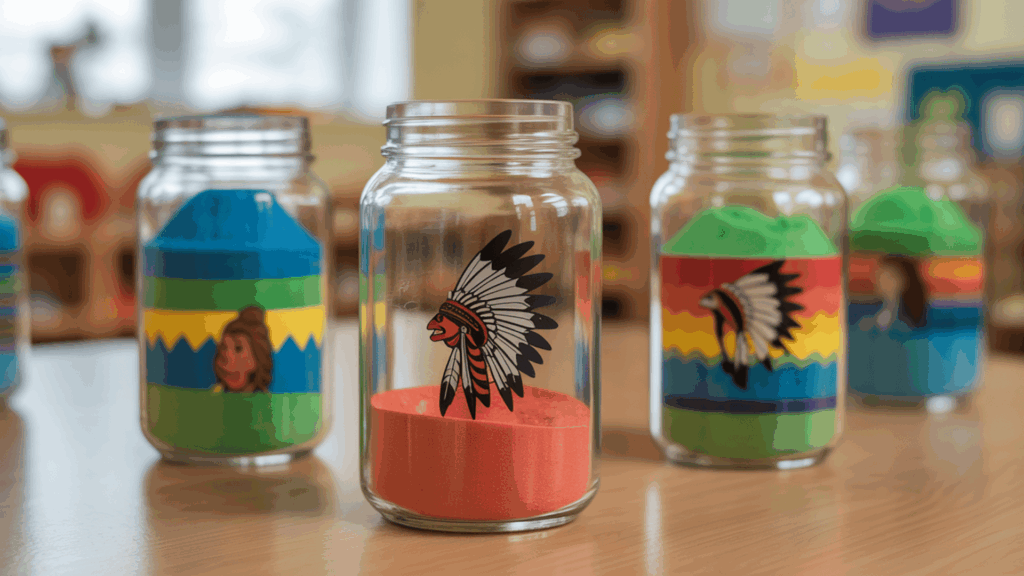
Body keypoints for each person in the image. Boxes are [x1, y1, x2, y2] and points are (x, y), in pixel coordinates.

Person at [211, 306, 274, 393]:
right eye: (223, 347)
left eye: (238, 349)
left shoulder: (263, 398)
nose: (226, 355)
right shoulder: (216, 393)